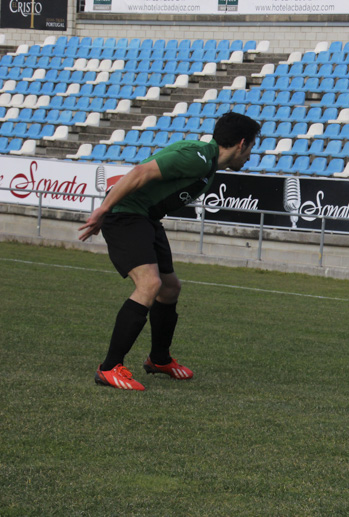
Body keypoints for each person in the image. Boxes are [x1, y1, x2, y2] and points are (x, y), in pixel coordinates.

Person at [78, 112, 261, 391]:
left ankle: (159, 359)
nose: (250, 156)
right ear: (242, 143)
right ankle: (109, 368)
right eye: (251, 148)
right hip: (126, 214)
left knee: (170, 288)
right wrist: (103, 210)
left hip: (147, 218)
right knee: (150, 284)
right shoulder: (198, 157)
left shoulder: (208, 164)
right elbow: (140, 172)